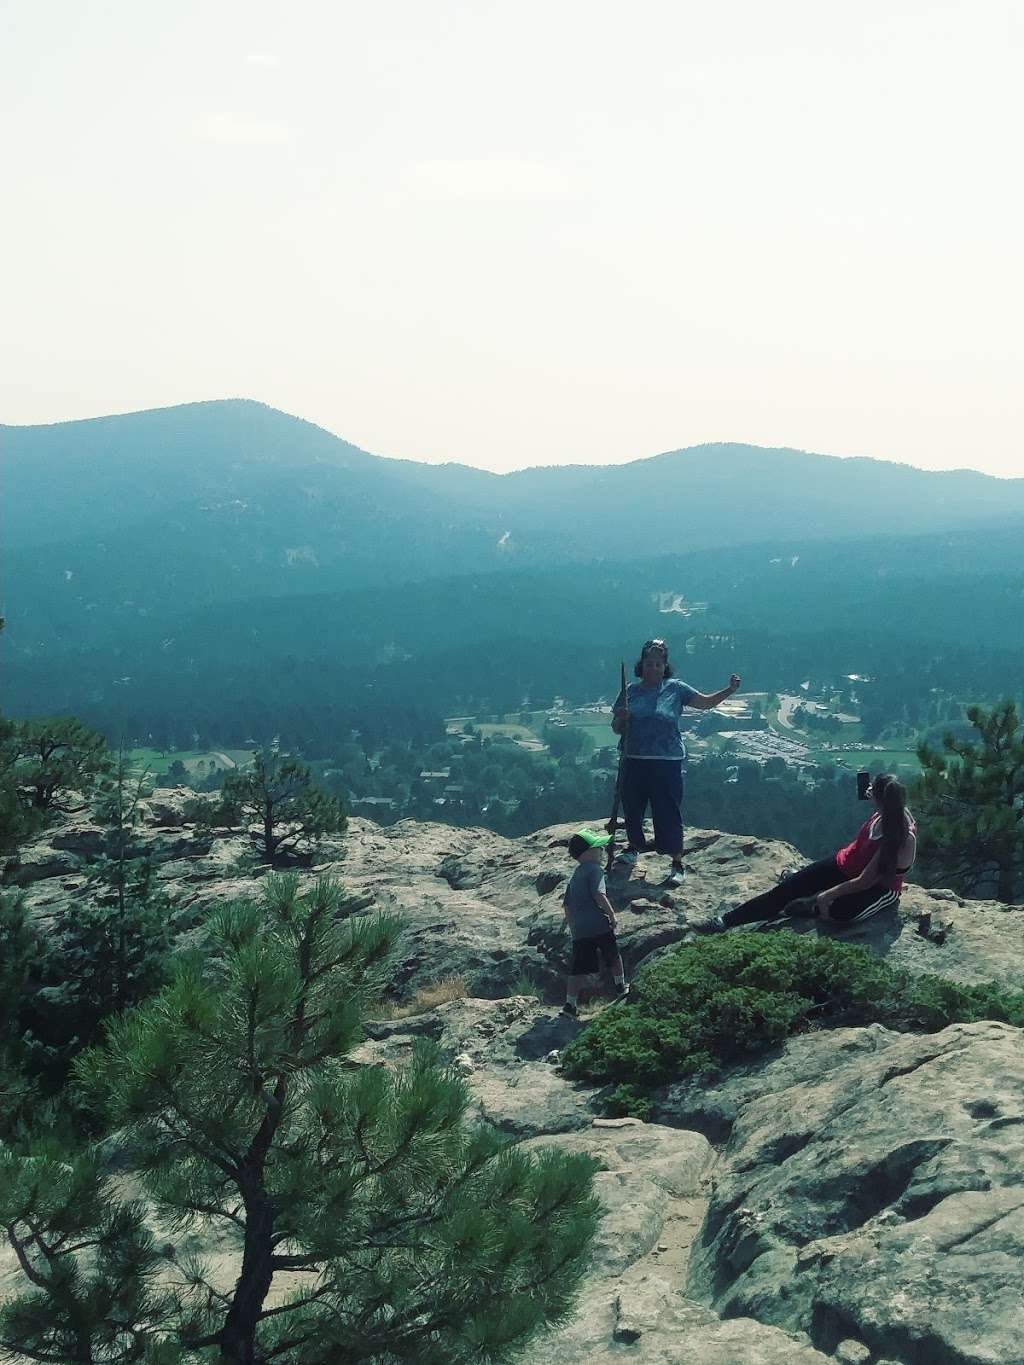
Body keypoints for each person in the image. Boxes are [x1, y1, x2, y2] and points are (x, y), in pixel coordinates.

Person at [698, 772, 917, 932]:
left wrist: (826, 896)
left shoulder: (898, 838)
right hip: (844, 864)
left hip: (878, 888)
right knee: (785, 890)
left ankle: (808, 905)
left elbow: (865, 882)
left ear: (878, 800)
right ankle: (726, 921)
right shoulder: (889, 809)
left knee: (841, 912)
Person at [611, 638, 741, 887]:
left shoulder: (675, 689)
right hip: (633, 759)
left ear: (665, 666)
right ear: (642, 665)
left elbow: (704, 703)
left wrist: (729, 690)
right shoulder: (630, 691)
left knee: (668, 810)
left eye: (658, 664)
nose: (653, 668)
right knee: (632, 807)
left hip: (667, 761)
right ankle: (633, 847)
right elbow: (617, 729)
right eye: (649, 663)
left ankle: (677, 860)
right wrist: (622, 719)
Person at [561, 827, 629, 1017]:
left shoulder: (575, 876)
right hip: (599, 925)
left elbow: (566, 904)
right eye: (598, 847)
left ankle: (570, 1005)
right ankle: (620, 986)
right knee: (613, 955)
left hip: (580, 930)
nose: (602, 851)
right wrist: (612, 915)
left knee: (578, 968)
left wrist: (573, 926)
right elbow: (599, 894)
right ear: (588, 853)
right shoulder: (595, 870)